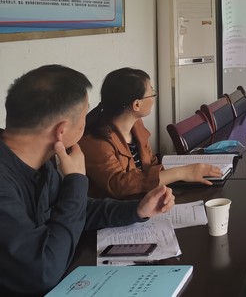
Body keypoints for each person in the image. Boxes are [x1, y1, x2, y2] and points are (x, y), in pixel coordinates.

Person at [0, 64, 175, 295]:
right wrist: (75, 181)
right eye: (84, 116)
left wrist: (136, 210)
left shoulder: (40, 160)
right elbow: (42, 271)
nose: (88, 121)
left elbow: (74, 210)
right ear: (62, 131)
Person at [79, 67, 222, 198]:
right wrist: (182, 172)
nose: (154, 96)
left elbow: (151, 166)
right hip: (117, 210)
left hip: (145, 201)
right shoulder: (95, 141)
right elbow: (119, 184)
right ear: (136, 104)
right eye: (152, 92)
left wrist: (186, 174)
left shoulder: (136, 125)